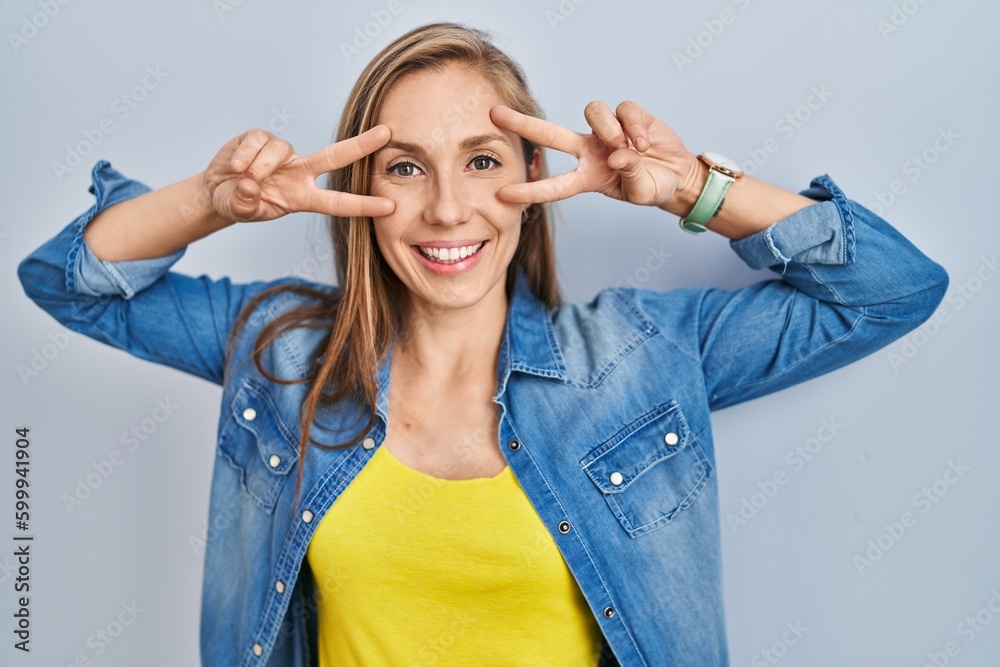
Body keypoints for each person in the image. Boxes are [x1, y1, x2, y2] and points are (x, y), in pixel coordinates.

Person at [18, 21, 948, 667]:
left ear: (534, 180)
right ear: (355, 191)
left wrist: (686, 188)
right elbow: (66, 280)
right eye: (407, 167)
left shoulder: (643, 354)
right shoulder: (284, 348)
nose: (449, 208)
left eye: (483, 161)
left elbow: (892, 290)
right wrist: (214, 199)